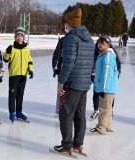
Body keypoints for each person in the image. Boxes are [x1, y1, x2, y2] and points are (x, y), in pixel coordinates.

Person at [54, 8, 94, 155]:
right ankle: (78, 144)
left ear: (70, 23)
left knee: (65, 114)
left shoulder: (71, 38)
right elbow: (91, 62)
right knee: (80, 115)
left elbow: (68, 62)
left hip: (72, 83)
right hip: (84, 84)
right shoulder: (89, 39)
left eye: (66, 23)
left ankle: (66, 146)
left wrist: (61, 82)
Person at [3, 26, 34, 122]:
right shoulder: (11, 48)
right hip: (14, 75)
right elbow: (5, 59)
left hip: (23, 75)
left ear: (23, 37)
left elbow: (29, 61)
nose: (19, 38)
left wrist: (31, 70)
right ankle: (12, 112)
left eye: (21, 36)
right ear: (15, 37)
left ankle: (19, 112)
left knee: (20, 94)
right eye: (17, 36)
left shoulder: (27, 50)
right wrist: (7, 52)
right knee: (12, 94)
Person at [90, 36, 119, 134]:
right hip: (107, 87)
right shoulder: (103, 54)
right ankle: (107, 126)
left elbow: (107, 73)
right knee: (108, 108)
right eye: (99, 42)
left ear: (108, 44)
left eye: (103, 43)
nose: (100, 45)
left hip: (106, 87)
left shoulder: (108, 55)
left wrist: (103, 88)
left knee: (103, 108)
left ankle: (101, 127)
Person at [52, 36, 64, 115]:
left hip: (73, 71)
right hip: (61, 70)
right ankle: (59, 109)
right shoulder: (62, 40)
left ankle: (69, 110)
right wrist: (55, 67)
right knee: (60, 90)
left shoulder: (77, 40)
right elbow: (56, 54)